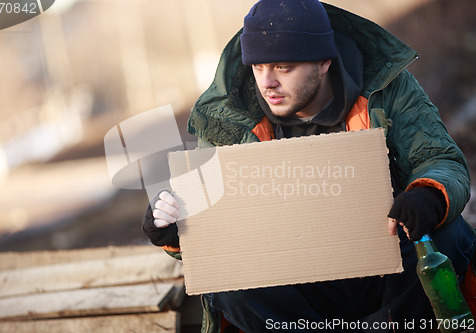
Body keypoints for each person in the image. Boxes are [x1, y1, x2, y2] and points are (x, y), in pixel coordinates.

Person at [143, 0, 476, 332]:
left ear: (323, 62)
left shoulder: (385, 91)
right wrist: (177, 231)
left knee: (450, 233)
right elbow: (217, 226)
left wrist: (425, 197)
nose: (267, 82)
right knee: (229, 285)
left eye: (283, 67)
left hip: (385, 267)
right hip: (294, 284)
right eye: (257, 67)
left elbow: (438, 159)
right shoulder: (230, 121)